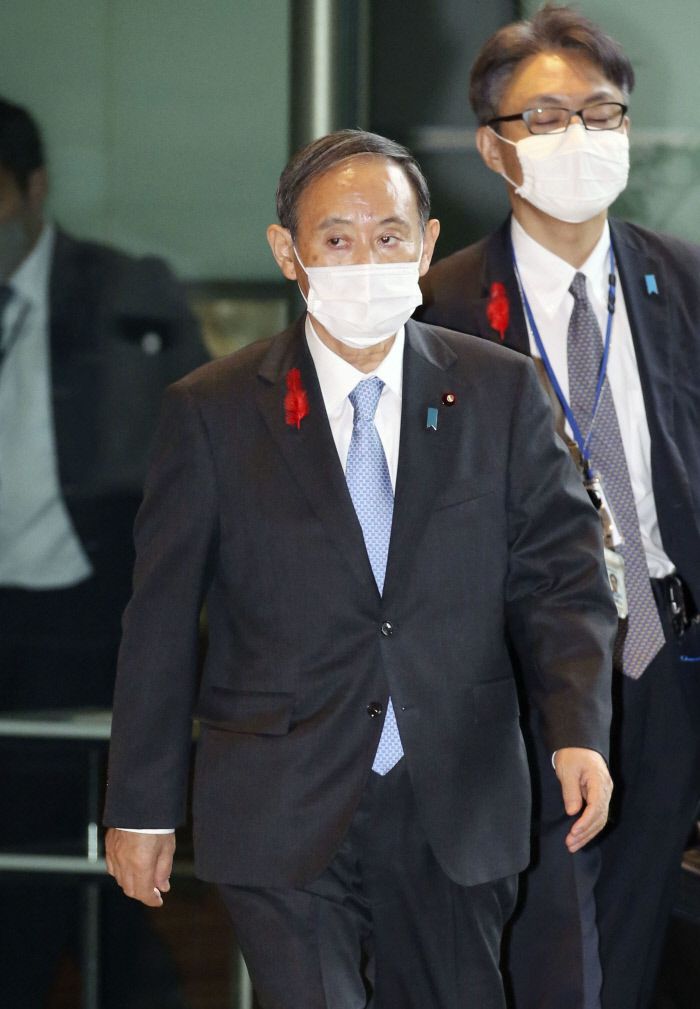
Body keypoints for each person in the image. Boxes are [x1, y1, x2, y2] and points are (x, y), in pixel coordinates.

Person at [104, 128, 616, 1009]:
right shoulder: (213, 410)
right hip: (279, 793)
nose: (366, 259)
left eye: (389, 236)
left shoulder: (499, 391)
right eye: (336, 239)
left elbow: (561, 580)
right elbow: (160, 620)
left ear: (426, 243)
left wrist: (579, 726)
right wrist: (141, 805)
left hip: (457, 787)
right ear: (288, 252)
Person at [417, 7, 700, 1009]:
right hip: (520, 671)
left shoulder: (682, 280)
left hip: (663, 654)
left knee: (632, 940)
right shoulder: (437, 307)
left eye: (600, 111)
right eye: (544, 116)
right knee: (550, 948)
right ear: (494, 146)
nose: (578, 135)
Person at [0, 96, 205, 1007]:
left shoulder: (122, 288)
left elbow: (197, 441)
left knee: (45, 823)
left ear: (33, 189)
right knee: (59, 850)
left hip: (82, 605)